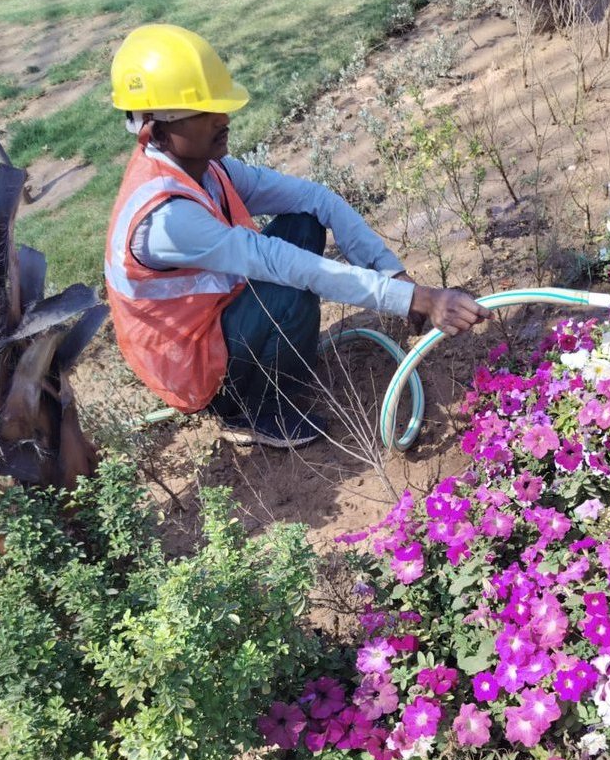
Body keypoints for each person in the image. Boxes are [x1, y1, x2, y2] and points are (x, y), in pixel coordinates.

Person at [106, 24, 488, 449]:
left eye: (220, 106)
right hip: (195, 370)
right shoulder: (166, 219)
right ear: (156, 131)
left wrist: (392, 275)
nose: (223, 119)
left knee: (303, 220)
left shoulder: (209, 170)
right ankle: (250, 412)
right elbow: (284, 264)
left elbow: (314, 198)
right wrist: (420, 299)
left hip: (215, 321)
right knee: (289, 287)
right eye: (204, 113)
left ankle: (267, 370)